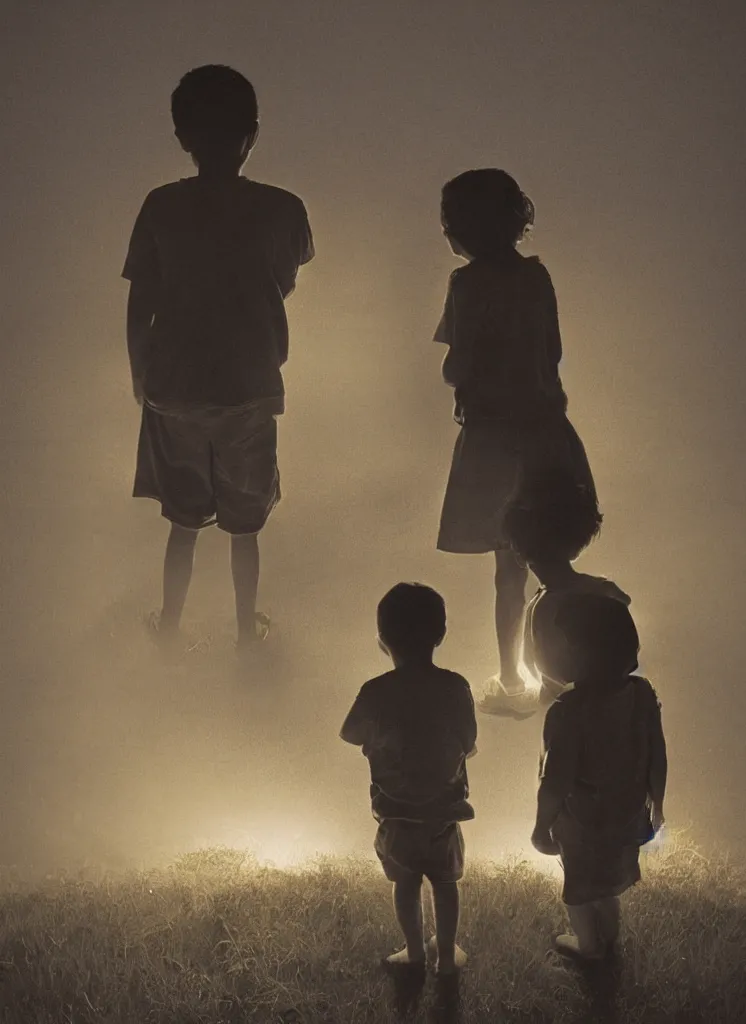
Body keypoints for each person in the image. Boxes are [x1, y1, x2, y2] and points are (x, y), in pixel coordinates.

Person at [122, 65, 314, 648]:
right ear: (252, 133)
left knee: (183, 521)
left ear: (182, 137)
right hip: (249, 387)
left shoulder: (160, 206)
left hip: (173, 387)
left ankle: (171, 626)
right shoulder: (283, 208)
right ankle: (242, 631)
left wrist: (140, 376)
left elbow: (139, 305)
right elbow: (285, 279)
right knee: (244, 525)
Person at [434, 168, 596, 716]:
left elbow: (458, 365)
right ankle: (563, 667)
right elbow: (552, 352)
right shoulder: (537, 278)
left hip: (492, 439)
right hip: (546, 427)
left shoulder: (466, 284)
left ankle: (510, 679)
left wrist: (457, 372)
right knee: (544, 548)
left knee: (507, 566)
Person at [340, 583, 477, 975]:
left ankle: (415, 952)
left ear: (382, 640)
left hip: (396, 811)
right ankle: (447, 958)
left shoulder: (376, 691)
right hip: (443, 811)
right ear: (441, 634)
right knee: (445, 883)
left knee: (405, 882)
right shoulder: (455, 686)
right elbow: (468, 740)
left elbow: (351, 733)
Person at [530, 593, 667, 960]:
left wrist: (542, 826)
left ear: (576, 657)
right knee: (607, 885)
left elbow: (555, 782)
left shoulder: (568, 712)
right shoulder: (641, 694)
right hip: (626, 815)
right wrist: (657, 803)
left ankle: (589, 947)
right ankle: (610, 939)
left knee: (579, 889)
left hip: (584, 823)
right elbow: (658, 754)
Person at [502, 469, 630, 710]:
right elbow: (624, 603)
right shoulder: (600, 588)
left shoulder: (541, 606)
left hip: (568, 710)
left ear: (518, 551)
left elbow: (533, 663)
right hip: (611, 707)